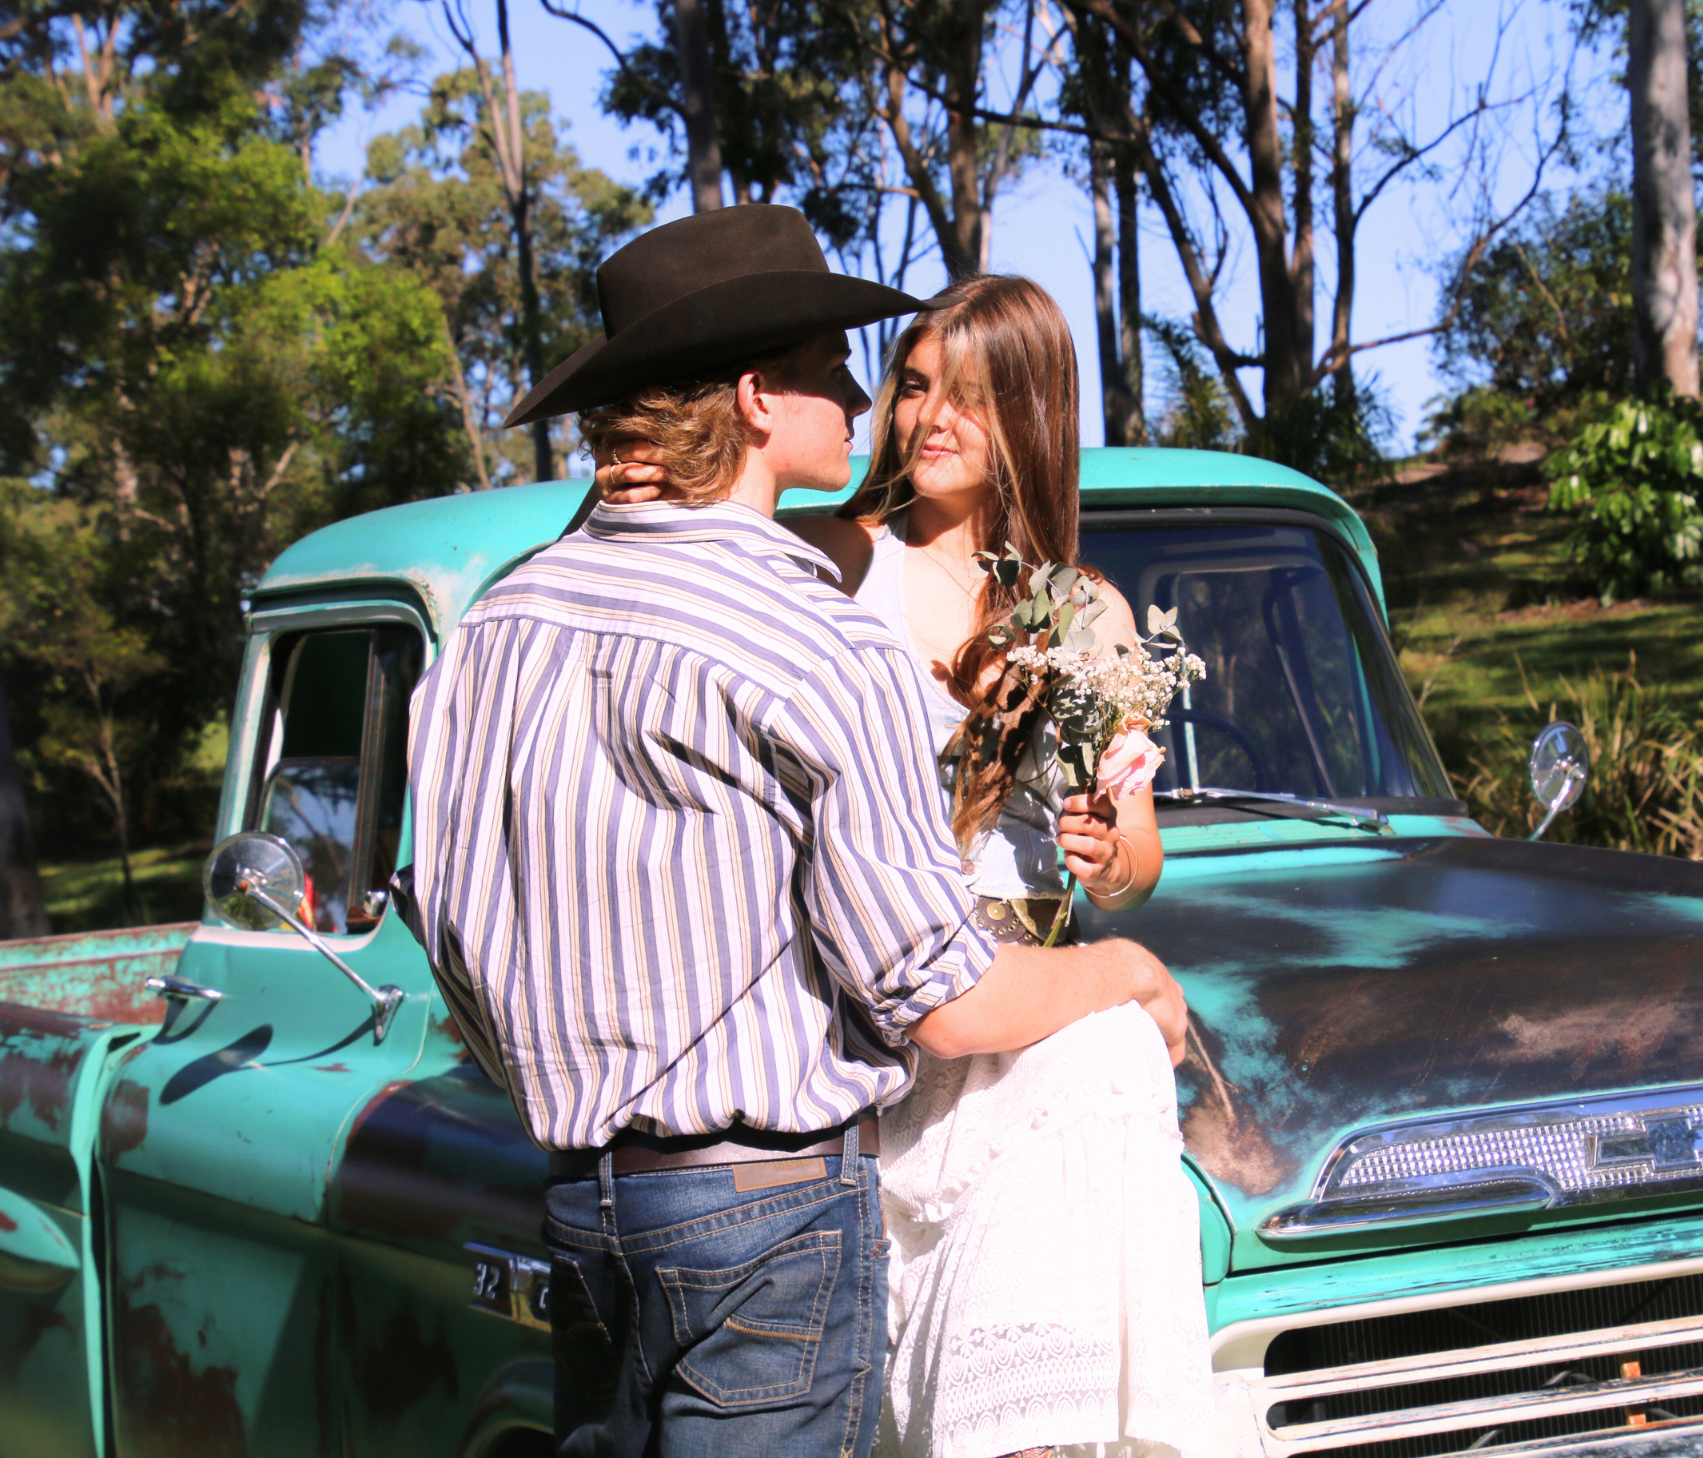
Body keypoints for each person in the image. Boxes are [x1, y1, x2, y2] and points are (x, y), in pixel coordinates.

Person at [402, 206, 1188, 1458]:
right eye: (851, 370)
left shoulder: (496, 626)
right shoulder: (817, 614)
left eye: (959, 394)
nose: (878, 404)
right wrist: (1127, 971)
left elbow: (446, 916)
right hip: (800, 1164)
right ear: (758, 397)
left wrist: (568, 1080)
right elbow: (936, 996)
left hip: (590, 1192)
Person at [604, 275, 1215, 1458]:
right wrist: (638, 487)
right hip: (871, 1011)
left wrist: (1106, 854)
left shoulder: (1084, 611)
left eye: (970, 398)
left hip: (1023, 1004)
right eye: (917, 386)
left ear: (1030, 413)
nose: (930, 418)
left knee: (1100, 1062)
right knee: (1110, 1051)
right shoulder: (831, 558)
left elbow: (1138, 856)